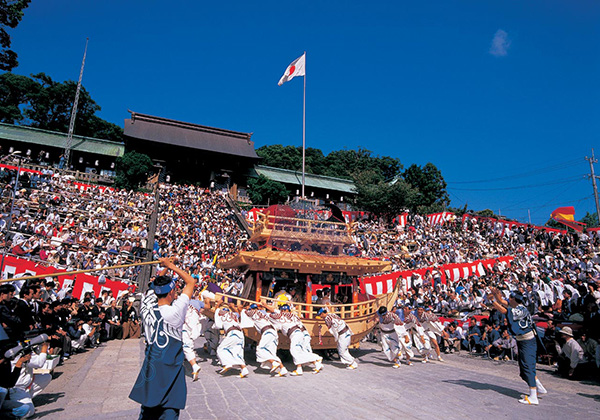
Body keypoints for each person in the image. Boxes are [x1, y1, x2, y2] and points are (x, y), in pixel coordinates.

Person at [129, 257, 197, 420]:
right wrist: (170, 265)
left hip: (151, 367)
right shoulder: (175, 312)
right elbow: (191, 282)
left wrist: (164, 267)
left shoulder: (146, 305)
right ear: (172, 292)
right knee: (169, 411)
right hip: (171, 369)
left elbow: (155, 287)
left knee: (147, 411)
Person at [489, 288, 547, 405]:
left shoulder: (520, 310)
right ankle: (538, 388)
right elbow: (504, 303)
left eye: (510, 297)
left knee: (528, 366)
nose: (508, 299)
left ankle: (533, 396)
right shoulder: (518, 306)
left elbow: (504, 311)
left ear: (514, 299)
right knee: (524, 367)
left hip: (528, 341)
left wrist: (492, 301)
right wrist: (497, 296)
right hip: (523, 341)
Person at [269, 304, 322, 376]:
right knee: (300, 351)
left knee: (294, 350)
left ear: (287, 311)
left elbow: (272, 314)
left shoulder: (283, 315)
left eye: (284, 310)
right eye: (282, 310)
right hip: (300, 333)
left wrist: (265, 307)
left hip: (296, 333)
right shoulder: (294, 316)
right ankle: (316, 362)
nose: (283, 311)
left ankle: (302, 367)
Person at [242, 303, 287, 376]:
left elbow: (242, 310)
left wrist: (245, 308)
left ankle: (273, 363)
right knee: (271, 352)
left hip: (267, 332)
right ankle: (282, 369)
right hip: (273, 332)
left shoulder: (253, 312)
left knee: (260, 349)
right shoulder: (264, 314)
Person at [212, 301, 249, 378]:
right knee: (237, 352)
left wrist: (218, 304)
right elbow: (237, 312)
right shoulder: (234, 315)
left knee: (221, 349)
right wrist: (232, 307)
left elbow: (216, 312)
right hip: (240, 333)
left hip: (232, 333)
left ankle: (227, 363)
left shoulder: (222, 315)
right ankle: (244, 369)